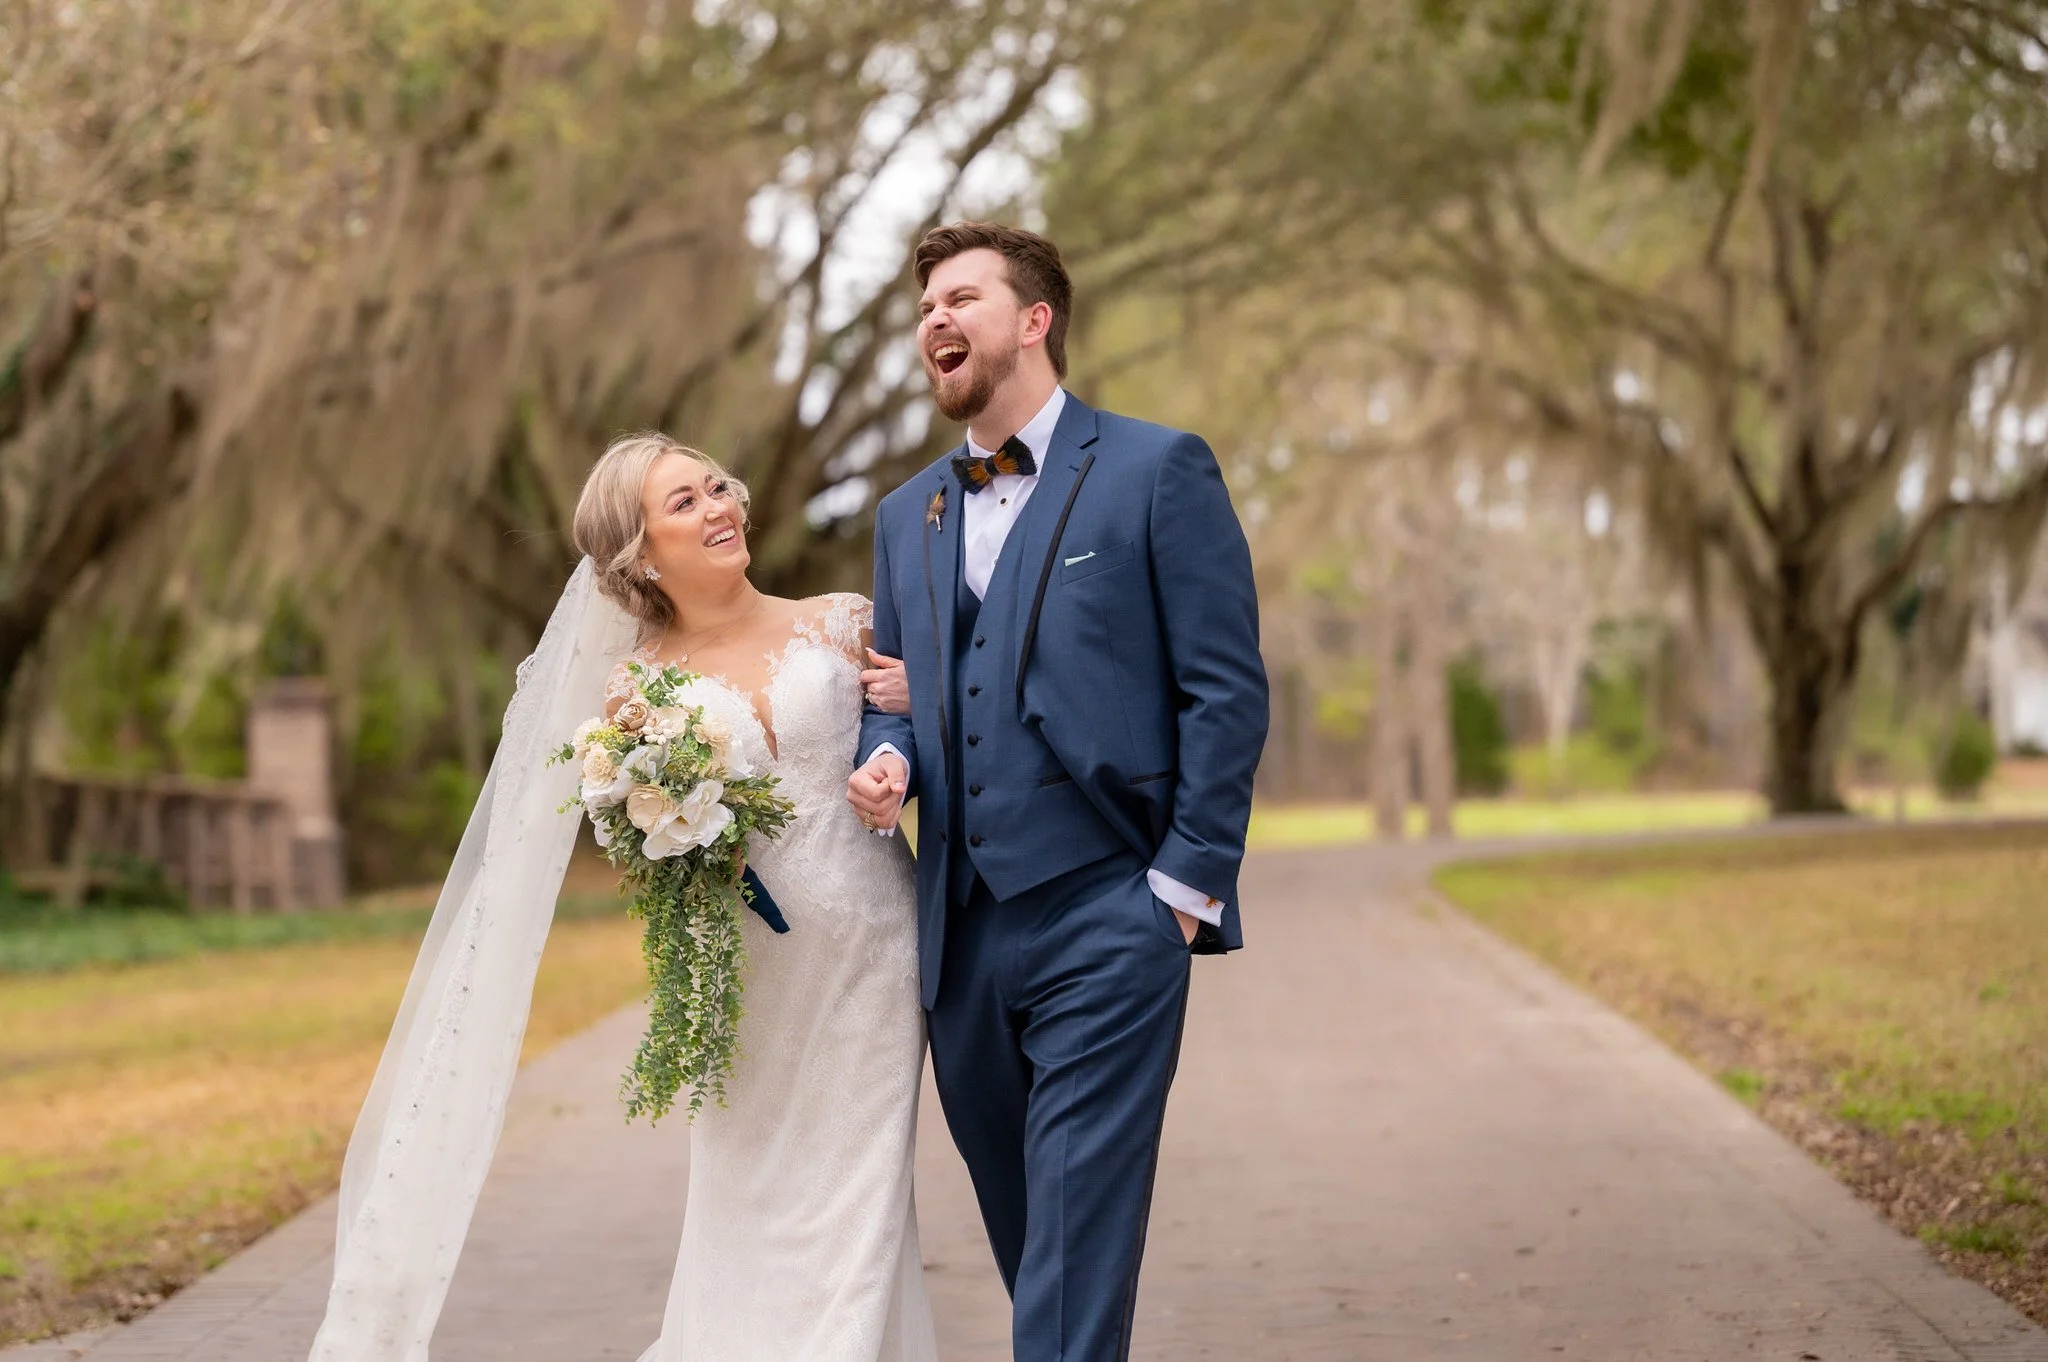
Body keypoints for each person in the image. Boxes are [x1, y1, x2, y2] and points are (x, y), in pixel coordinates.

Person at [307, 434, 932, 1362]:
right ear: (641, 556)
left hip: (874, 954)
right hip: (747, 976)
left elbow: (921, 727)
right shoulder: (636, 694)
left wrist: (906, 739)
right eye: (684, 503)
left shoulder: (844, 621)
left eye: (716, 486)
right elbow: (646, 846)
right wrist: (678, 836)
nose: (719, 506)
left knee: (861, 1202)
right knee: (747, 1203)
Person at [848, 222, 1268, 1362]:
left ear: (1033, 322)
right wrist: (890, 752)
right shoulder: (905, 516)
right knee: (1037, 1243)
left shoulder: (1153, 469)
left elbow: (1223, 693)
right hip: (961, 938)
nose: (935, 317)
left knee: (1075, 1251)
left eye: (962, 296)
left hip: (1108, 908)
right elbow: (903, 691)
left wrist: (1179, 892)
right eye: (925, 303)